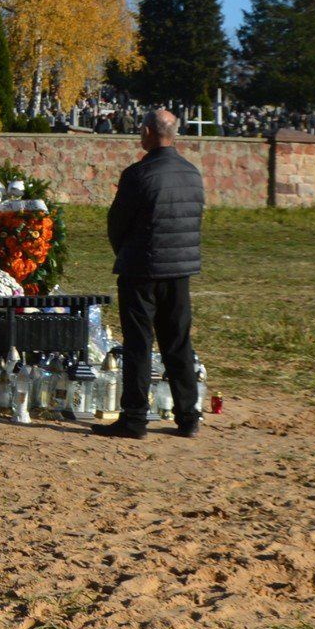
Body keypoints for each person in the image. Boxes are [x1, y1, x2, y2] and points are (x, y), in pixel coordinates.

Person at [97, 108, 205, 440]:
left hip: (141, 269)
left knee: (139, 344)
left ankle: (134, 417)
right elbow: (194, 219)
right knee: (178, 343)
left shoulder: (138, 174)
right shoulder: (192, 173)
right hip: (179, 270)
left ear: (147, 132)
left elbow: (117, 224)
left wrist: (126, 253)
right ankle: (187, 416)